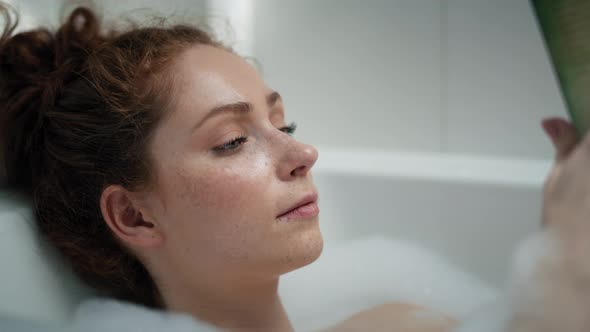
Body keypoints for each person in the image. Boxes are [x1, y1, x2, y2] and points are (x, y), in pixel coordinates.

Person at [0, 3, 587, 332]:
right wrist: (565, 268)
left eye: (285, 126)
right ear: (135, 214)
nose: (302, 155)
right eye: (232, 141)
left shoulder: (396, 321)